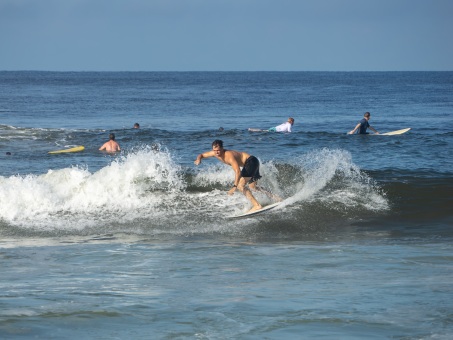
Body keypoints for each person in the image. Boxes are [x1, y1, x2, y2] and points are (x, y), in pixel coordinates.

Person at [194, 140, 279, 213]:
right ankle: (276, 198)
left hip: (250, 163)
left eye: (218, 150)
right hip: (254, 161)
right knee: (253, 188)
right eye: (215, 150)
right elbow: (201, 154)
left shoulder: (229, 156)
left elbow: (238, 171)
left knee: (240, 186)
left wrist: (234, 186)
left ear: (222, 149)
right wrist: (199, 159)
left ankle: (257, 206)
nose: (216, 153)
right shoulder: (214, 153)